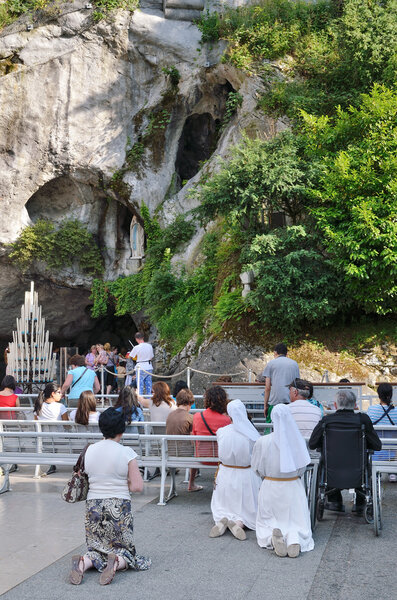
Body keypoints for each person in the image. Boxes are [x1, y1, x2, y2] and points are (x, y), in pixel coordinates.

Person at [69, 407, 151, 585]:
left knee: (95, 548)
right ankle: (116, 563)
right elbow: (137, 486)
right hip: (118, 505)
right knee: (125, 551)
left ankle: (83, 563)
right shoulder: (127, 452)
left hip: (93, 505)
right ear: (122, 430)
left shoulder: (88, 451)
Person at [252, 403, 314, 558]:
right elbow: (302, 467)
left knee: (268, 521)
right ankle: (294, 538)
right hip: (293, 486)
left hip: (271, 485)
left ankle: (272, 537)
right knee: (296, 522)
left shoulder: (263, 441)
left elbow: (256, 467)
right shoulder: (298, 441)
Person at [309, 390, 381, 514]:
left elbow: (312, 443)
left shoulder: (327, 421)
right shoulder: (363, 419)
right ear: (354, 405)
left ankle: (334, 501)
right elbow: (377, 445)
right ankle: (360, 502)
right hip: (357, 471)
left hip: (332, 471)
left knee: (327, 460)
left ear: (335, 405)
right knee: (363, 461)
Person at [210, 399, 261, 541]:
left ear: (229, 414)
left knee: (224, 505)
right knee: (248, 507)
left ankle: (223, 521)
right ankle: (240, 523)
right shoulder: (251, 434)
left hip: (226, 473)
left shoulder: (221, 432)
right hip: (246, 473)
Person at [190, 386, 231, 492]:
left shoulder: (197, 416)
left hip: (201, 457)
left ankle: (191, 483)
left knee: (196, 449)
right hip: (221, 458)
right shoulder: (227, 420)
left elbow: (194, 437)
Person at [34, 382, 69, 475]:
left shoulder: (38, 406)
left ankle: (51, 464)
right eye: (59, 392)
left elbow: (36, 423)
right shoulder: (60, 407)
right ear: (53, 394)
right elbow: (67, 425)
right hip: (59, 438)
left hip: (43, 438)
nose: (61, 394)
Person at [261, 343, 300, 422]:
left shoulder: (271, 364)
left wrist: (265, 405)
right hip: (291, 402)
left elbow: (267, 387)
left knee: (272, 427)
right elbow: (298, 384)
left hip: (275, 402)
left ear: (275, 353)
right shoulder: (294, 364)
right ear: (287, 354)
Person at [367, 383, 397, 479]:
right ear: (391, 394)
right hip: (393, 454)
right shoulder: (396, 411)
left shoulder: (371, 410)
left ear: (378, 394)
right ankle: (392, 473)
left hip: (376, 452)